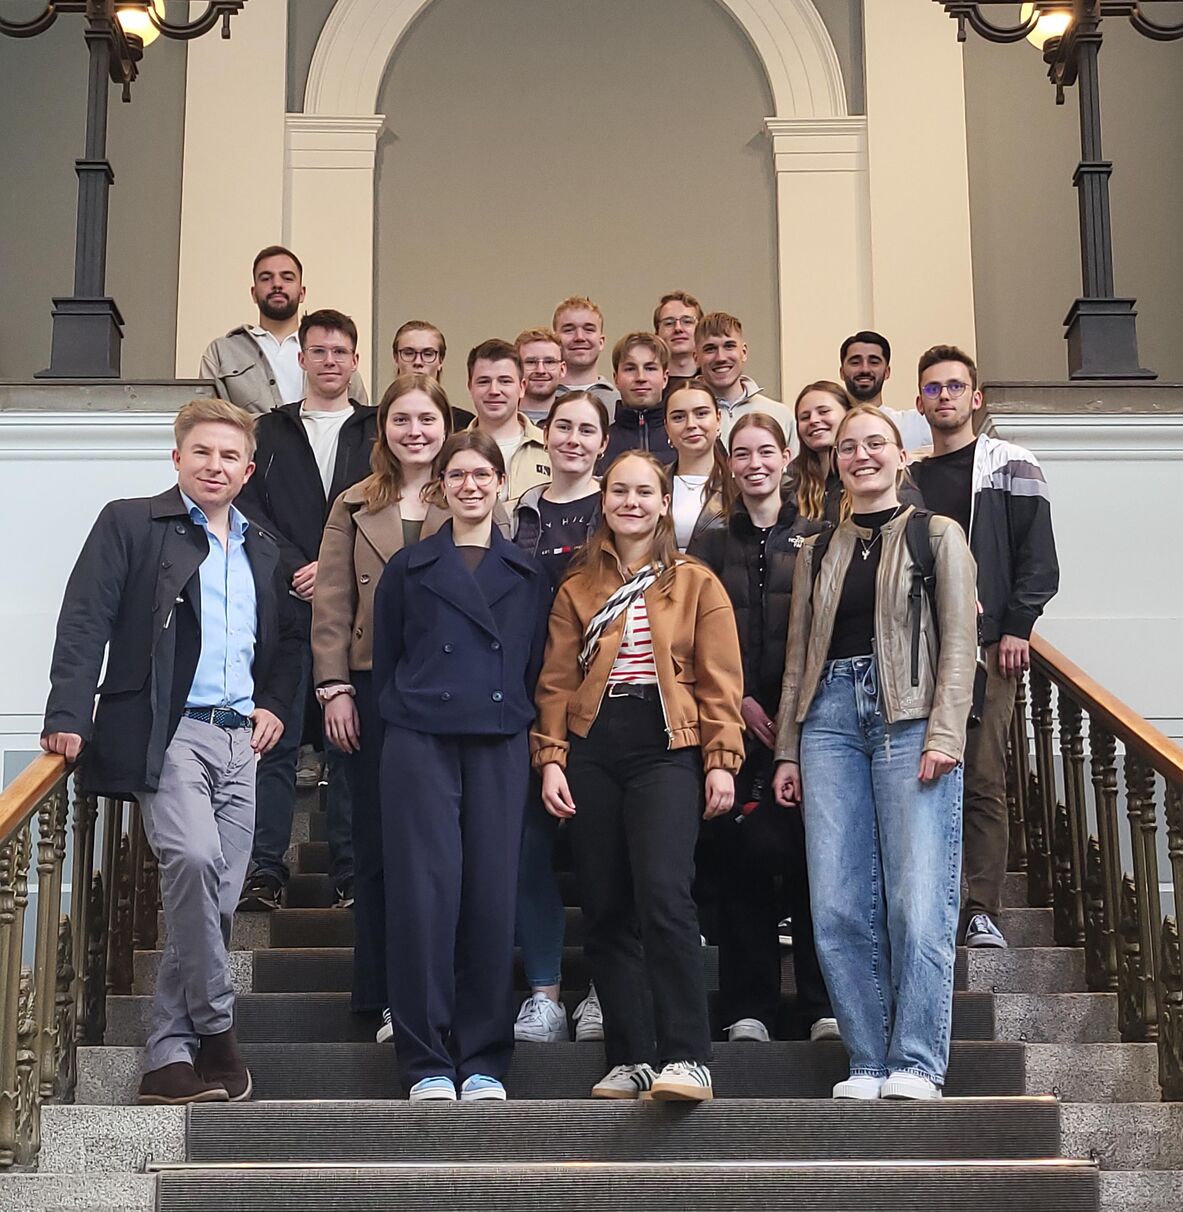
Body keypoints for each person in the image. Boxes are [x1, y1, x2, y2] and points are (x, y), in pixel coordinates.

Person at [42, 399, 301, 1105]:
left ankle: (166, 1060)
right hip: (172, 728)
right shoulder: (131, 521)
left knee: (215, 897)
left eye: (229, 457)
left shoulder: (263, 548)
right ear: (177, 457)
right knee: (191, 861)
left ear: (247, 470)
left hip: (240, 738)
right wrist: (69, 711)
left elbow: (287, 641)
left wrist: (276, 704)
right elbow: (85, 614)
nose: (215, 466)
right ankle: (218, 1031)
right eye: (202, 453)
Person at [772, 405, 977, 1101]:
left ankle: (916, 1062)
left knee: (915, 900)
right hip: (826, 719)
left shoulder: (936, 535)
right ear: (835, 463)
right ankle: (865, 1060)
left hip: (910, 718)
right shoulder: (816, 549)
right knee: (834, 902)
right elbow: (799, 656)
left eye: (874, 444)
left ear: (900, 457)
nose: (859, 455)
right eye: (848, 447)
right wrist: (786, 750)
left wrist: (946, 733)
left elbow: (959, 643)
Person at [533, 451, 745, 1102]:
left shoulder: (694, 582)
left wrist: (720, 760)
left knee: (663, 895)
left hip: (665, 743)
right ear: (604, 500)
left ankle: (687, 1056)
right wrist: (550, 758)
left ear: (661, 503)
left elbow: (719, 680)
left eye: (643, 492)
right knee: (605, 905)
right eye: (618, 490)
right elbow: (556, 681)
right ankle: (631, 1057)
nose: (630, 501)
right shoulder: (576, 586)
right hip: (594, 744)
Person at [373, 431, 550, 1102]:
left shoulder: (530, 574)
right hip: (419, 740)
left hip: (499, 741)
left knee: (489, 897)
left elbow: (535, 666)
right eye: (458, 475)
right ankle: (423, 1062)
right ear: (437, 486)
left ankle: (482, 1060)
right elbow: (387, 658)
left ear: (501, 483)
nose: (471, 485)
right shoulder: (407, 568)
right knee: (421, 899)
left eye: (482, 473)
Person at [312, 373, 452, 1042]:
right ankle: (380, 991)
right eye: (402, 419)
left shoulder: (470, 492)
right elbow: (332, 601)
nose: (415, 431)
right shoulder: (351, 503)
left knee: (436, 846)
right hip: (368, 685)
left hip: (446, 688)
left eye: (427, 418)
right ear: (383, 430)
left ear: (445, 426)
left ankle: (437, 992)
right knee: (373, 843)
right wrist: (333, 686)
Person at [689, 413, 836, 1044]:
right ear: (731, 465)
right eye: (741, 454)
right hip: (729, 723)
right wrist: (738, 701)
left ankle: (820, 1005)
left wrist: (793, 715)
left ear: (785, 459)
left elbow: (832, 634)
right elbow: (690, 632)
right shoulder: (709, 541)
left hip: (806, 725)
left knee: (814, 865)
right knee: (739, 861)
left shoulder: (820, 538)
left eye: (765, 452)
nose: (754, 464)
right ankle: (747, 1005)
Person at [910, 344, 1059, 948]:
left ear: (976, 397)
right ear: (918, 402)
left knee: (983, 777)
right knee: (917, 775)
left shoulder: (1012, 465)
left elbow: (1037, 555)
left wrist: (1018, 625)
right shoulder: (907, 476)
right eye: (932, 388)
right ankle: (926, 899)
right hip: (915, 646)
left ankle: (980, 907)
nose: (943, 396)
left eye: (954, 386)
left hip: (989, 645)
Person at [236, 308, 376, 913]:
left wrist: (334, 568)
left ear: (354, 359)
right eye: (318, 351)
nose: (329, 360)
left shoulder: (374, 431)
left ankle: (349, 870)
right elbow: (248, 508)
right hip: (287, 609)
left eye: (340, 351)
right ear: (301, 358)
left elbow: (383, 506)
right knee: (278, 740)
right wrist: (301, 563)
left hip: (355, 610)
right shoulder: (268, 431)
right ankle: (265, 870)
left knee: (347, 743)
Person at [511, 390, 609, 1046]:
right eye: (562, 427)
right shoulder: (514, 514)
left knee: (604, 854)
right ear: (544, 435)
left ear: (604, 442)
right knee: (528, 853)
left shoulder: (619, 507)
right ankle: (543, 995)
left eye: (586, 430)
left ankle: (604, 989)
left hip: (603, 703)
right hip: (525, 694)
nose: (572, 438)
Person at [200, 245, 367, 413]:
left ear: (302, 293)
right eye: (266, 278)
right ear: (253, 293)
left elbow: (360, 420)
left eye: (287, 278)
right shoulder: (222, 352)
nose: (277, 284)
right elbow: (205, 418)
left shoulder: (333, 350)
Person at [466, 339, 551, 507]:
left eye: (505, 381)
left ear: (522, 387)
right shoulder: (452, 451)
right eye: (483, 381)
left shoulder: (551, 448)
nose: (494, 391)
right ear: (470, 387)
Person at [694, 311, 795, 443]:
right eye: (710, 349)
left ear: (744, 352)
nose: (721, 358)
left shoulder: (780, 415)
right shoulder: (684, 416)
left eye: (729, 346)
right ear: (696, 358)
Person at [664, 381, 730, 551]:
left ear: (718, 419)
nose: (691, 424)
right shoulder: (653, 482)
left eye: (701, 413)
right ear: (667, 427)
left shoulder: (738, 484)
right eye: (678, 417)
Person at [839, 331, 931, 453]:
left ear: (887, 372)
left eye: (874, 362)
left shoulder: (914, 425)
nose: (865, 369)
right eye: (855, 362)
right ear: (842, 372)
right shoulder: (831, 427)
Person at [599, 332, 676, 470]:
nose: (640, 377)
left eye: (650, 368)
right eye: (630, 369)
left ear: (665, 378)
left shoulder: (684, 438)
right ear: (616, 378)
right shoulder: (599, 442)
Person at [391, 319, 474, 429]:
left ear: (441, 360)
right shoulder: (370, 422)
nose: (418, 362)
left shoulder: (463, 425)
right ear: (396, 358)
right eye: (408, 353)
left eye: (428, 354)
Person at [788, 381, 851, 523]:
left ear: (848, 414)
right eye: (804, 417)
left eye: (824, 411)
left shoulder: (867, 473)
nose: (813, 420)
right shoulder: (791, 481)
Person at [552, 296, 620, 409]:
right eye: (569, 330)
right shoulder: (539, 400)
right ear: (555, 341)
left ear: (601, 342)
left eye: (589, 329)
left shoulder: (619, 402)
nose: (579, 337)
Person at [515, 327, 566, 426]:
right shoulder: (500, 418)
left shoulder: (576, 418)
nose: (540, 370)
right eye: (531, 362)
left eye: (549, 362)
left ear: (562, 369)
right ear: (516, 368)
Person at [653, 290, 702, 388]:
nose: (678, 328)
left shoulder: (715, 382)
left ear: (701, 331)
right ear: (657, 334)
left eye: (687, 321)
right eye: (669, 323)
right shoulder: (649, 386)